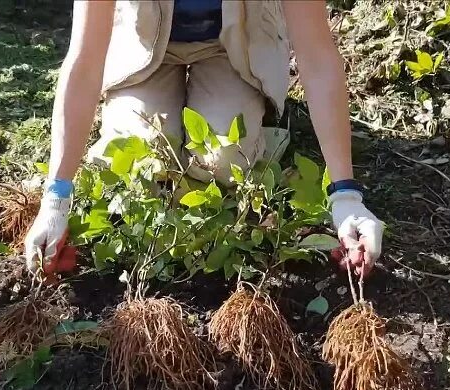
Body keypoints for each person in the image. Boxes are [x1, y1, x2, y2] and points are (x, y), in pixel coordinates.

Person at [25, 0, 383, 278]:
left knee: (226, 159)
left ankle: (258, 127)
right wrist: (56, 198)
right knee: (139, 167)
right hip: (144, 47)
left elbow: (317, 57)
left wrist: (346, 195)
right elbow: (85, 59)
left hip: (235, 49)